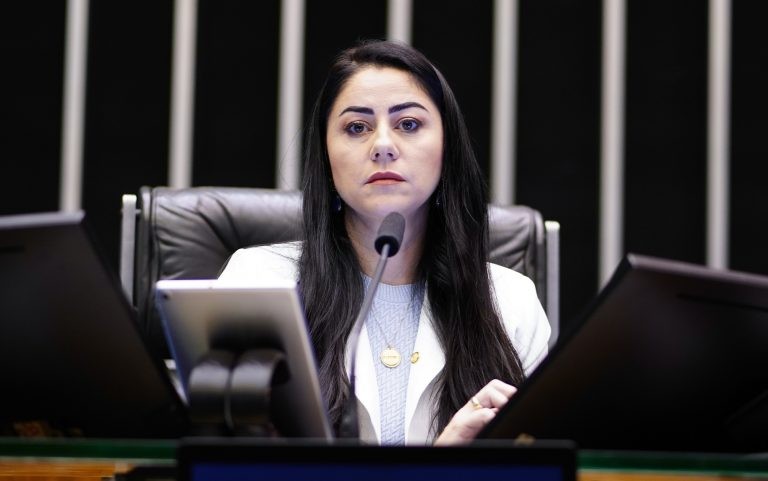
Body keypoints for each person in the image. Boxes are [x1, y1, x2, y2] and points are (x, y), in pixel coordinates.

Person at [218, 39, 550, 445]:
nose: (383, 146)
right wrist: (443, 469)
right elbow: (229, 465)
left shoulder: (511, 302)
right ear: (326, 157)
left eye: (408, 124)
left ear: (447, 149)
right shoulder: (256, 285)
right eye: (357, 128)